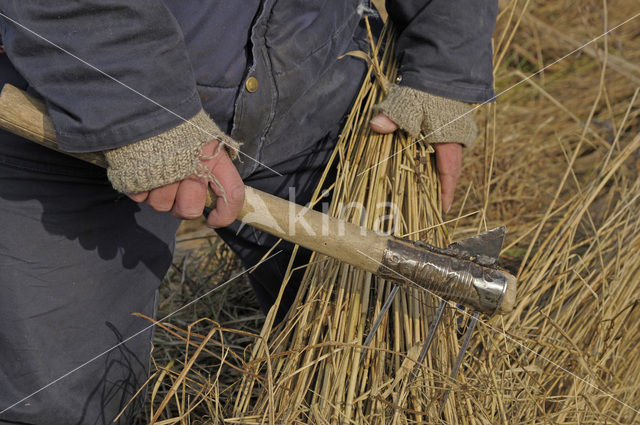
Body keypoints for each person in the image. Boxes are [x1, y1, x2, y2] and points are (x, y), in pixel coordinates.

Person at [0, 1, 497, 423]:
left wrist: (444, 67)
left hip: (318, 87)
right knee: (60, 402)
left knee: (394, 350)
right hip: (74, 97)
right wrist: (136, 109)